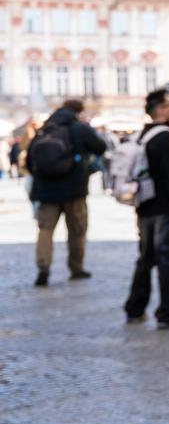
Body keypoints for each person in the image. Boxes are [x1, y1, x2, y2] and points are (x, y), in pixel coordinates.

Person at [123, 89, 169, 329]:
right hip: (164, 208)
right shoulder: (166, 137)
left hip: (145, 206)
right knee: (168, 260)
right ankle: (167, 312)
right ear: (160, 109)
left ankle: (134, 308)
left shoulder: (144, 135)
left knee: (146, 258)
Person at [26, 99, 107, 287]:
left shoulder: (44, 129)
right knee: (77, 230)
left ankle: (43, 267)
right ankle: (76, 267)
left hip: (45, 190)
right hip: (74, 189)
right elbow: (100, 147)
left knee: (45, 229)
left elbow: (30, 161)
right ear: (78, 111)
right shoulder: (79, 128)